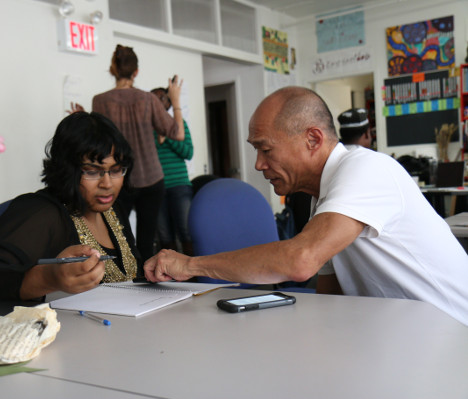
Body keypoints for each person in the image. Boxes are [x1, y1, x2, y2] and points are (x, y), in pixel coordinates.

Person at [143, 86, 468, 325]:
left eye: (266, 149)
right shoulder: (324, 199)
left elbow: (300, 260)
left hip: (452, 335)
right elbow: (330, 294)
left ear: (313, 139)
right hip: (407, 334)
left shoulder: (365, 169)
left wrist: (192, 266)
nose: (258, 164)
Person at [0, 112, 141, 301]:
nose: (107, 184)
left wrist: (156, 269)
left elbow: (132, 276)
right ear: (67, 170)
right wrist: (48, 278)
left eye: (116, 170)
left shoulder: (113, 209)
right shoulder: (41, 213)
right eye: (92, 172)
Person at [91, 44, 185, 261]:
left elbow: (97, 139)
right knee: (146, 240)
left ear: (113, 69)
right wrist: (176, 100)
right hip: (151, 179)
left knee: (119, 238)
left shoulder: (100, 101)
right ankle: (146, 283)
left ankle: (127, 283)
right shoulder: (148, 99)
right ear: (136, 72)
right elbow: (178, 133)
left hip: (118, 180)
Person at [151, 87, 194, 255]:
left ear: (169, 103)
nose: (158, 102)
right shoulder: (146, 129)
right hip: (157, 187)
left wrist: (168, 137)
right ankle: (170, 274)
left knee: (186, 232)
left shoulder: (179, 123)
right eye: (153, 99)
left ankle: (193, 274)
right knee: (164, 235)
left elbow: (188, 152)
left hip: (180, 186)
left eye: (162, 98)